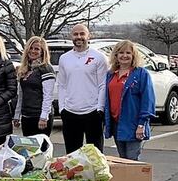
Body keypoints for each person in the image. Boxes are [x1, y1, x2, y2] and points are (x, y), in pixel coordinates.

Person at [57, 24, 109, 154]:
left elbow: (103, 85)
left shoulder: (99, 57)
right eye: (75, 34)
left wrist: (100, 108)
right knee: (72, 156)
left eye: (82, 34)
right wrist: (62, 108)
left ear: (88, 36)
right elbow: (62, 85)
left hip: (92, 113)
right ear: (71, 36)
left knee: (95, 156)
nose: (79, 37)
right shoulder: (64, 58)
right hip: (70, 112)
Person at [104, 40, 155, 160]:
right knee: (122, 159)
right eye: (121, 52)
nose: (124, 56)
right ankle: (126, 179)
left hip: (133, 124)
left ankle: (135, 179)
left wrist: (141, 124)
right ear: (116, 55)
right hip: (116, 124)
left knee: (132, 160)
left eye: (128, 53)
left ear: (134, 55)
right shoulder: (110, 74)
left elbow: (148, 101)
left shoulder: (142, 74)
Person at [14, 36, 56, 136]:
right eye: (31, 48)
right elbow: (21, 94)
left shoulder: (46, 68)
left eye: (37, 49)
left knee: (41, 150)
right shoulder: (25, 68)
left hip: (40, 116)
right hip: (26, 116)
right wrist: (17, 115)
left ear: (42, 51)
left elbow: (48, 96)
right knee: (28, 149)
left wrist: (43, 117)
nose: (33, 51)